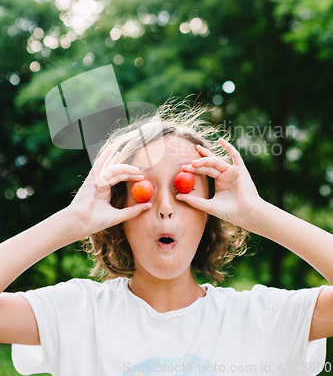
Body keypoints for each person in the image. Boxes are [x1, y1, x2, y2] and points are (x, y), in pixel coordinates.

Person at [0, 101, 333, 376]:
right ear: (119, 208)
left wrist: (257, 214)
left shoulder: (262, 320)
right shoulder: (75, 314)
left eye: (184, 187)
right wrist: (73, 221)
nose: (164, 208)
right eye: (144, 190)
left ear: (211, 209)